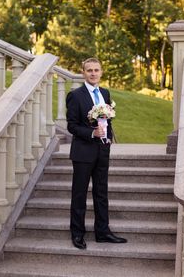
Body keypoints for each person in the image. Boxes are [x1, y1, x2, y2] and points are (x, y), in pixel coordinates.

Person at [66, 57, 127, 249]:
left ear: (101, 72)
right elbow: (72, 126)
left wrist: (107, 137)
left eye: (96, 70)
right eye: (89, 70)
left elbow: (107, 119)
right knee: (79, 194)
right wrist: (92, 133)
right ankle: (77, 234)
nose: (93, 73)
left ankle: (103, 232)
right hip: (83, 152)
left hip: (102, 151)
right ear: (84, 72)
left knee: (101, 193)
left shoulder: (105, 93)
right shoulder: (75, 95)